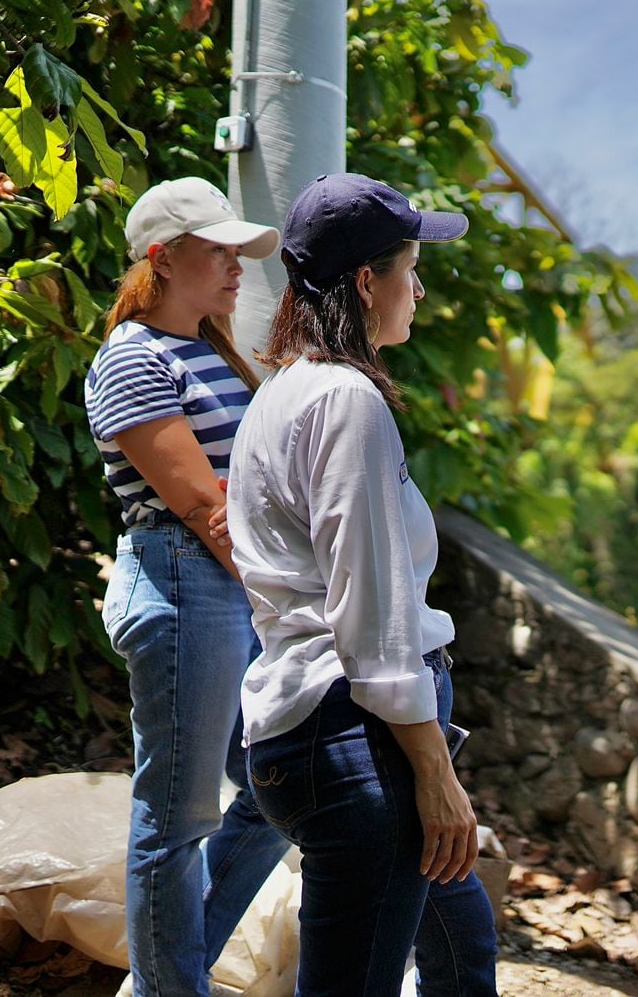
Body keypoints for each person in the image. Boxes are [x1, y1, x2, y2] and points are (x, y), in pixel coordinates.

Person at [226, 173, 498, 996]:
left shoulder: (282, 393)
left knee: (462, 950)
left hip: (321, 733)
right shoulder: (346, 401)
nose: (418, 288)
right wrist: (436, 776)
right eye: (411, 267)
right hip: (357, 740)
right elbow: (373, 626)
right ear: (366, 281)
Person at [85, 177, 290, 996]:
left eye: (241, 250)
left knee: (280, 787)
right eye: (221, 251)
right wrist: (292, 604)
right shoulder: (132, 356)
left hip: (228, 590)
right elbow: (206, 508)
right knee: (177, 816)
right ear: (163, 261)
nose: (239, 267)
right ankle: (172, 987)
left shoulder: (211, 351)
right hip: (183, 582)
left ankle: (169, 975)